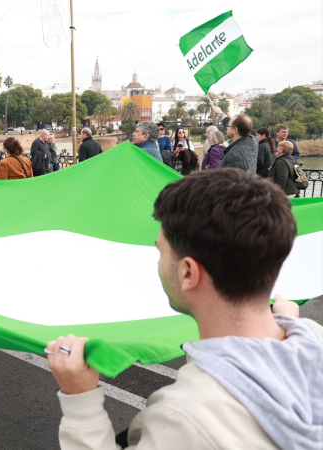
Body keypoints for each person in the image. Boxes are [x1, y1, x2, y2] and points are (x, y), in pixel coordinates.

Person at [47, 169, 321, 450]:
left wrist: (80, 400)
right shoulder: (312, 337)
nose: (157, 264)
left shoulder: (185, 418)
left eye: (161, 252)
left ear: (188, 272)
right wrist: (288, 321)